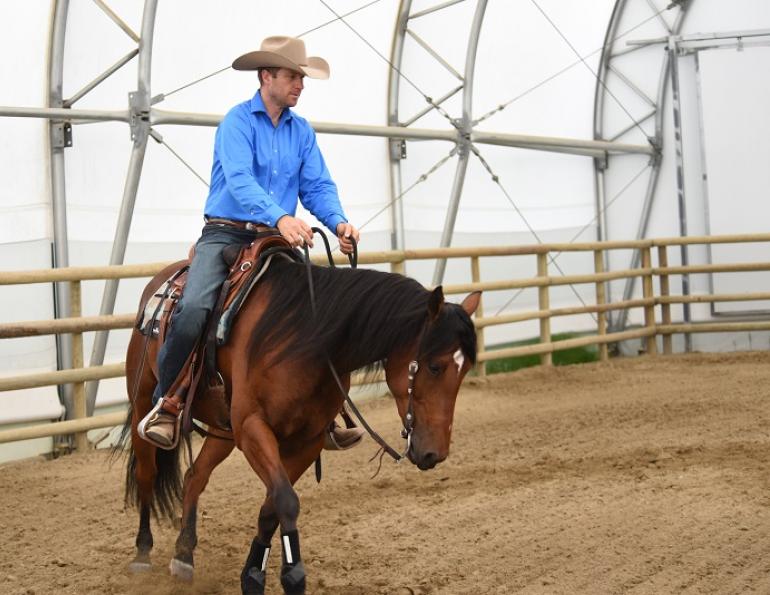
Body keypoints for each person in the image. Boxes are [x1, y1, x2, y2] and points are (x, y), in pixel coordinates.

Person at [138, 36, 363, 450]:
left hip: (277, 238)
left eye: (301, 77)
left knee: (321, 309)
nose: (300, 84)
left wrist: (338, 223)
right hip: (227, 232)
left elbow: (316, 185)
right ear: (266, 76)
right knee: (193, 308)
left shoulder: (302, 132)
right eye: (292, 76)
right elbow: (240, 182)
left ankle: (323, 409)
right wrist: (279, 215)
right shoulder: (236, 123)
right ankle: (167, 403)